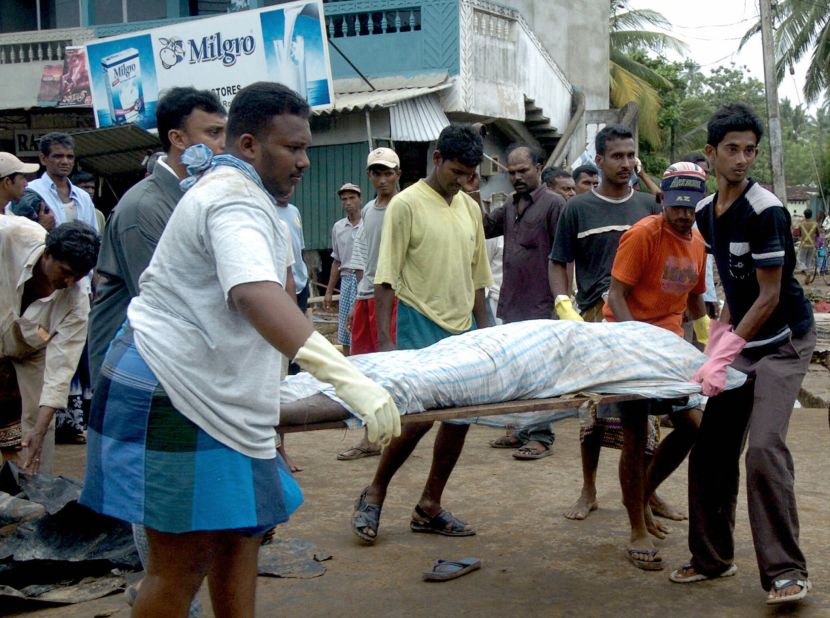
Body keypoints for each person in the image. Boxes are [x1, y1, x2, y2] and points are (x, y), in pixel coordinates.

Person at [79, 82, 400, 618]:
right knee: (182, 565)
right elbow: (253, 293)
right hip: (175, 387)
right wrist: (347, 378)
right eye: (291, 149)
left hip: (212, 390)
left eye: (306, 150)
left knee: (238, 537)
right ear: (248, 145)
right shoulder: (231, 198)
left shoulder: (247, 198)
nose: (303, 163)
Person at [670, 103, 816, 607]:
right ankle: (712, 559)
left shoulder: (767, 211)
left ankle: (785, 572)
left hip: (784, 343)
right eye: (732, 149)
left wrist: (726, 347)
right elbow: (733, 285)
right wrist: (718, 334)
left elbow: (771, 295)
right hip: (745, 341)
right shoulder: (708, 213)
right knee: (711, 449)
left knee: (763, 449)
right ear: (711, 154)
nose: (742, 159)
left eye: (750, 150)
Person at [351, 124, 492, 544]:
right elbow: (385, 277)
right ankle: (374, 492)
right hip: (417, 320)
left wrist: (488, 335)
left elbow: (479, 279)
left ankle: (430, 504)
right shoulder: (406, 204)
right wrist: (385, 346)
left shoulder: (470, 208)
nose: (464, 181)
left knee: (460, 419)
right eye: (457, 171)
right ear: (436, 158)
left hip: (463, 327)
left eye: (470, 173)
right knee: (416, 422)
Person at [549, 124, 670, 523]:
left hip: (641, 320)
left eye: (631, 155)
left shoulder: (648, 207)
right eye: (617, 156)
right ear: (598, 161)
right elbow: (558, 261)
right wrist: (564, 304)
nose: (626, 163)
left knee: (646, 412)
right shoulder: (577, 208)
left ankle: (648, 490)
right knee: (593, 411)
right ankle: (589, 489)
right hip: (594, 320)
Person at [602, 161, 710, 570]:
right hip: (630, 345)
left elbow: (697, 301)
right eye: (676, 206)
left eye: (690, 207)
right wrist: (638, 345)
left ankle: (645, 493)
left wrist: (706, 346)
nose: (682, 214)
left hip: (671, 349)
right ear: (662, 199)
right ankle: (636, 528)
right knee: (635, 435)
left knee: (691, 428)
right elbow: (616, 296)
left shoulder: (698, 243)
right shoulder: (643, 235)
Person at [87, 87, 227, 385]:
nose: (223, 145)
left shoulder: (194, 196)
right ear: (178, 139)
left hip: (167, 359)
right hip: (130, 370)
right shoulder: (145, 208)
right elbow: (167, 302)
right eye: (213, 133)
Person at [482, 144, 564, 460]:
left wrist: (562, 300)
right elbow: (484, 227)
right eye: (512, 172)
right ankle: (520, 429)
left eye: (522, 171)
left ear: (539, 168)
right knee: (517, 371)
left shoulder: (554, 204)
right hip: (513, 302)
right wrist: (473, 190)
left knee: (540, 373)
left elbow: (564, 255)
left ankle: (541, 435)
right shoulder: (511, 206)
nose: (516, 177)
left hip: (542, 303)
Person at [0, 218, 99, 474]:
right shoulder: (8, 236)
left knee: (36, 425)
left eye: (77, 277)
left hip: (33, 350)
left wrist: (40, 428)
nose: (68, 282)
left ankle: (32, 490)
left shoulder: (76, 303)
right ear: (47, 254)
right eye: (65, 272)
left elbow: (60, 372)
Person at [337, 147, 402, 461]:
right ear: (370, 176)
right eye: (377, 173)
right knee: (365, 370)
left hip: (393, 295)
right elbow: (362, 256)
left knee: (391, 367)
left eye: (388, 172)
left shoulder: (403, 207)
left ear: (397, 174)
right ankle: (371, 435)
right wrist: (354, 302)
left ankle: (390, 435)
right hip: (366, 296)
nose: (382, 179)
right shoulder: (368, 212)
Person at [27, 133, 98, 233]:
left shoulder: (83, 197)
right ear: (43, 159)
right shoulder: (30, 191)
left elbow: (94, 234)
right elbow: (15, 235)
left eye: (70, 157)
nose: (65, 161)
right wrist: (40, 227)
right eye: (58, 156)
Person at [324, 183, 363, 355]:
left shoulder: (368, 223)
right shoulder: (338, 227)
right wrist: (329, 291)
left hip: (366, 280)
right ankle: (349, 363)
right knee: (347, 331)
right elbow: (336, 261)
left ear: (359, 199)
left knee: (365, 327)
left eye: (352, 198)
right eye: (344, 199)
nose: (348, 202)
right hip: (347, 280)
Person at [796, 209, 819, 273]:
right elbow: (818, 235)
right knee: (808, 261)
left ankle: (805, 269)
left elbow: (799, 235)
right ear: (811, 215)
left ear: (804, 215)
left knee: (799, 259)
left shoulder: (801, 224)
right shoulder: (815, 224)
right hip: (812, 244)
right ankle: (807, 273)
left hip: (804, 244)